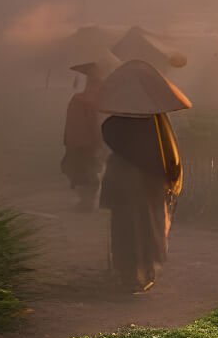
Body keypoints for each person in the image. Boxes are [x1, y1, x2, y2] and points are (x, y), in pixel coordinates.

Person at [96, 59, 190, 294]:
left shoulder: (112, 126)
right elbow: (168, 156)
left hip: (125, 181)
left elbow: (116, 149)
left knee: (125, 228)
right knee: (146, 227)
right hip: (148, 183)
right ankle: (142, 273)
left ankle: (127, 274)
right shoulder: (157, 126)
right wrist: (168, 178)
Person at [60, 63, 105, 211]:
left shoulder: (83, 100)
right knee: (82, 169)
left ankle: (87, 202)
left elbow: (96, 123)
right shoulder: (81, 99)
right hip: (83, 141)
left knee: (86, 170)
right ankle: (86, 201)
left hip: (86, 141)